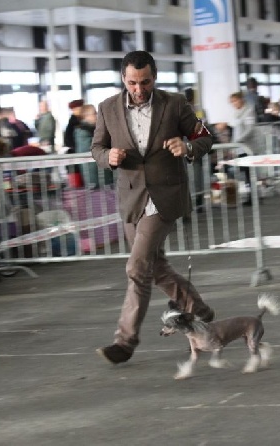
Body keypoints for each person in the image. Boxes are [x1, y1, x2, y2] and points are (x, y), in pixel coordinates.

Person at [91, 50, 215, 364]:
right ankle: (199, 310)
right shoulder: (107, 108)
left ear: (154, 77)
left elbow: (204, 137)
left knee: (136, 269)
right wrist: (109, 158)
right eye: (132, 82)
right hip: (131, 198)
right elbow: (97, 147)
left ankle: (125, 342)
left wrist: (186, 146)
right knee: (155, 267)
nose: (138, 89)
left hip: (165, 198)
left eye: (145, 82)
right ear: (123, 78)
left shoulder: (175, 104)